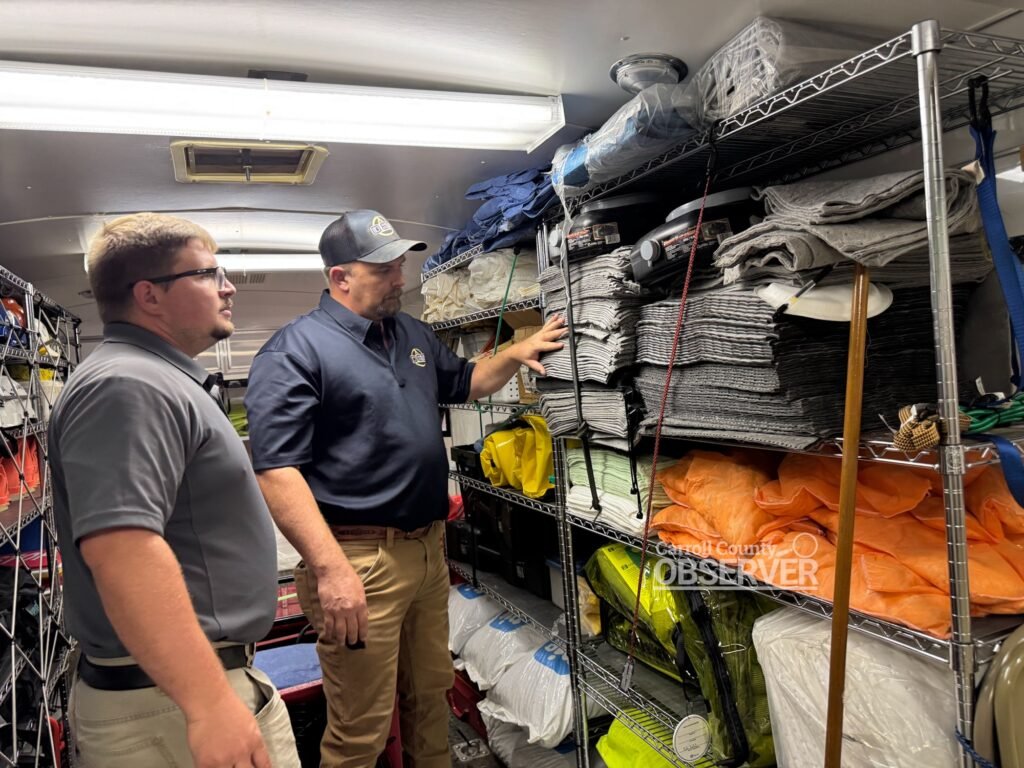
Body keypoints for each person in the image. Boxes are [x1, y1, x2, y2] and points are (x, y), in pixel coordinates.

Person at [245, 209, 565, 768]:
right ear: (341, 277)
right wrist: (330, 570)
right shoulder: (295, 351)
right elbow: (277, 471)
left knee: (430, 699)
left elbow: (467, 382)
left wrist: (515, 352)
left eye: (399, 265)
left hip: (426, 552)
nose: (400, 278)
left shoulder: (411, 334)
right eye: (384, 269)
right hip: (357, 560)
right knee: (360, 729)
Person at [49, 213, 300, 768]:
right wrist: (209, 703)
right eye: (209, 274)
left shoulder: (154, 378)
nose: (228, 288)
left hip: (173, 692)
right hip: (169, 703)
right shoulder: (127, 384)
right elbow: (124, 552)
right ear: (149, 295)